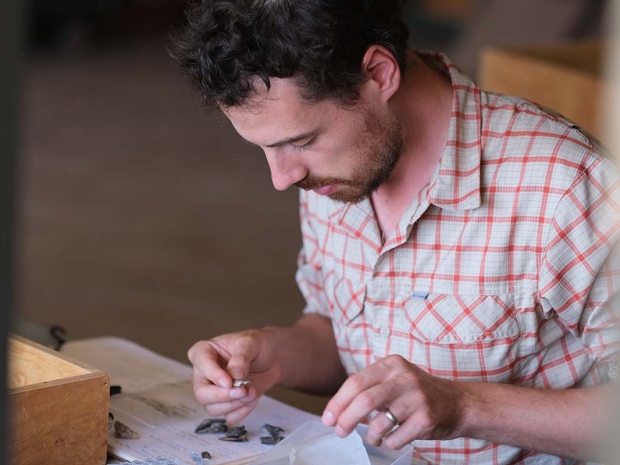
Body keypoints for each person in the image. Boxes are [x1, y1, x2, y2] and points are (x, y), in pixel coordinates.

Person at [170, 0, 620, 463]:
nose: (282, 178)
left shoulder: (568, 189)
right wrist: (272, 353)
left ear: (379, 73)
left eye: (300, 141)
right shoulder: (334, 171)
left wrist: (464, 406)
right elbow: (349, 336)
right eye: (265, 149)